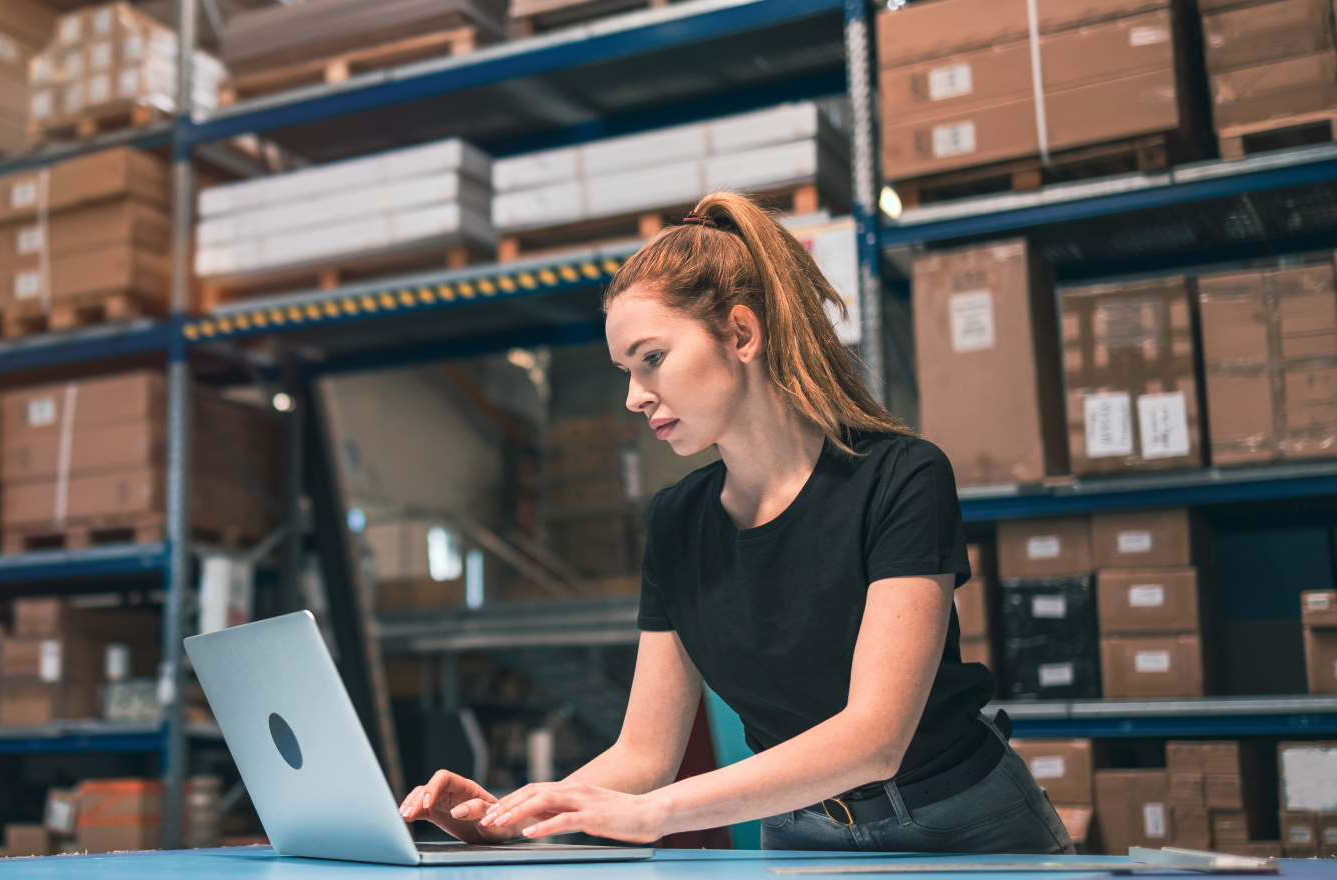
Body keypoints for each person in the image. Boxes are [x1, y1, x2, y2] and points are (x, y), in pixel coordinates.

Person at [398, 192, 1072, 854]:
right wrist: (514, 817)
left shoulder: (902, 477)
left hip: (961, 827)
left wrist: (656, 813)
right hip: (801, 834)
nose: (635, 397)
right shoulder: (676, 522)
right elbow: (643, 753)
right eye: (625, 371)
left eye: (652, 359)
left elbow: (876, 738)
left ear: (741, 334)